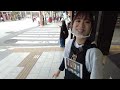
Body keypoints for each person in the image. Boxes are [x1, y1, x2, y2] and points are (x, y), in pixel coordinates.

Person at [53, 11, 104, 79]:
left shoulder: (94, 52)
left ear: (91, 29)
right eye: (78, 20)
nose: (81, 25)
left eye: (87, 22)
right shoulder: (69, 43)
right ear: (72, 25)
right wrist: (58, 71)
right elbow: (65, 59)